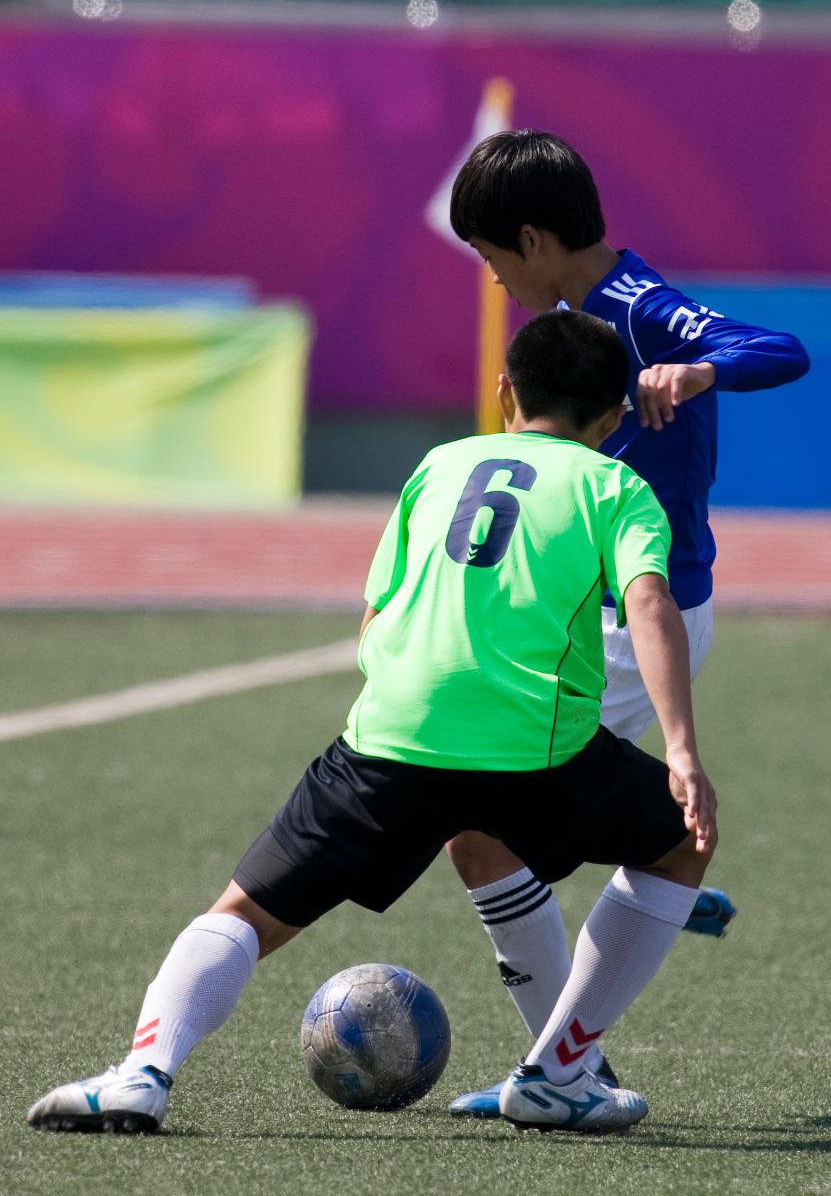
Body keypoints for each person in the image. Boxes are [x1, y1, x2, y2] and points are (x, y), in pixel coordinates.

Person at [29, 310, 717, 1136]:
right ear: (611, 419)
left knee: (244, 913)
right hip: (535, 753)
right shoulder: (618, 486)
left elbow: (375, 615)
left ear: (504, 391)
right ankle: (560, 1073)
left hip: (389, 741)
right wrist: (680, 750)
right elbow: (648, 602)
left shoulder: (436, 464)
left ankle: (142, 1071)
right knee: (680, 843)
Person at [445, 129, 810, 1118]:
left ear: (532, 238)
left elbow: (780, 348)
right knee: (483, 828)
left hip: (634, 621)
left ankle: (564, 1066)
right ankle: (571, 1050)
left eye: (487, 257)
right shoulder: (581, 317)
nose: (490, 278)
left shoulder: (638, 307)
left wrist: (695, 372)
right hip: (594, 618)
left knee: (480, 830)